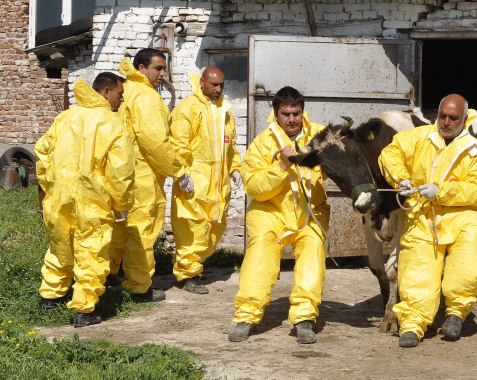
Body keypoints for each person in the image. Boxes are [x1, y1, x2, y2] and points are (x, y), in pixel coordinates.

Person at [378, 94, 477, 348]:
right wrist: (402, 180)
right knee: (417, 267)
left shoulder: (474, 149)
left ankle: (455, 313)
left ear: (464, 119)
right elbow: (390, 155)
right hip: (422, 212)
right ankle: (412, 324)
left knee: (469, 264)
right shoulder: (418, 137)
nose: (446, 122)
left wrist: (440, 191)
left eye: (453, 118)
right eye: (443, 116)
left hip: (461, 213)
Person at [228, 86, 330, 344]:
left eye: (296, 113)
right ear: (275, 114)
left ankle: (304, 318)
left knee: (313, 250)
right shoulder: (261, 144)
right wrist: (282, 166)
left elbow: (343, 162)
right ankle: (247, 317)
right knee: (260, 251)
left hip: (309, 212)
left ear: (302, 112)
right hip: (269, 211)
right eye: (286, 113)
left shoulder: (319, 137)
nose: (292, 119)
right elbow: (254, 188)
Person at [36, 72, 134, 327]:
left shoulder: (66, 116)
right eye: (119, 94)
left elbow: (43, 151)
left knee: (61, 244)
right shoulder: (111, 124)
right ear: (106, 92)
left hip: (61, 194)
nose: (121, 100)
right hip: (93, 199)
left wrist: (49, 186)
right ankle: (84, 310)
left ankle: (51, 295)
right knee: (92, 250)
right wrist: (122, 204)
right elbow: (120, 171)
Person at [109, 48, 194, 303]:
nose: (162, 74)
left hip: (124, 171)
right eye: (157, 68)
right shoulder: (145, 96)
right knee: (141, 231)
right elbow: (154, 142)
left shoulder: (126, 90)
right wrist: (178, 171)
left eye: (164, 69)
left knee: (121, 228)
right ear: (142, 67)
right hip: (143, 174)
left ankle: (109, 275)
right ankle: (138, 287)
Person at [169, 67, 242, 294]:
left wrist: (235, 168)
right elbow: (177, 144)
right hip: (195, 181)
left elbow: (230, 145)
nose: (218, 89)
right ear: (202, 82)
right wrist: (181, 174)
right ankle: (188, 274)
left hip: (219, 183)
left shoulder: (224, 111)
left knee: (214, 226)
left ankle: (191, 265)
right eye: (214, 85)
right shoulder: (188, 109)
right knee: (192, 228)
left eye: (222, 85)